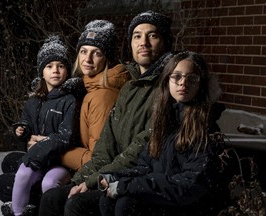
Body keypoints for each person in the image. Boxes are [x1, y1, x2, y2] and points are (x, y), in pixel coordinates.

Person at [38, 10, 173, 216]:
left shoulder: (167, 88)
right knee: (52, 197)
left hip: (136, 177)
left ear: (165, 42)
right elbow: (104, 148)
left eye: (152, 35)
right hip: (111, 171)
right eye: (137, 36)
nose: (143, 42)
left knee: (75, 204)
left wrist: (91, 179)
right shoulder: (130, 87)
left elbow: (139, 150)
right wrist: (79, 179)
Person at [98, 51, 228, 216]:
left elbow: (188, 186)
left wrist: (126, 186)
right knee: (108, 198)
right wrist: (115, 177)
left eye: (192, 78)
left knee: (127, 203)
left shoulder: (205, 129)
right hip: (163, 197)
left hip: (186, 205)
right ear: (167, 81)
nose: (183, 83)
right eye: (177, 77)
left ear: (201, 84)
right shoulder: (165, 121)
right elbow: (144, 167)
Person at [0, 35, 81, 216]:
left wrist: (41, 145)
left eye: (61, 66)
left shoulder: (69, 101)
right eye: (49, 66)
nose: (55, 70)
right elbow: (27, 123)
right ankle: (19, 212)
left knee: (49, 184)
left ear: (67, 70)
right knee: (22, 175)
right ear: (41, 72)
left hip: (60, 161)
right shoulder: (33, 101)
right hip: (37, 160)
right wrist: (22, 130)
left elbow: (64, 136)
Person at [61, 19, 130, 171]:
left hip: (93, 175)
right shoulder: (87, 86)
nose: (88, 59)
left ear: (107, 58)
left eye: (97, 53)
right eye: (83, 51)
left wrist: (57, 153)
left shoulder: (102, 96)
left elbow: (98, 160)